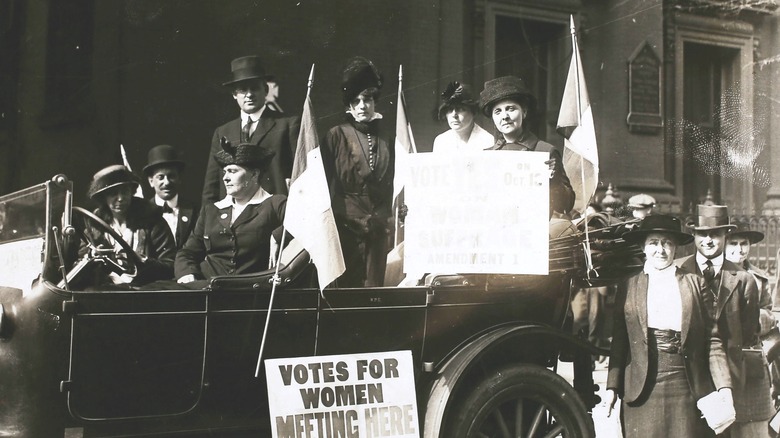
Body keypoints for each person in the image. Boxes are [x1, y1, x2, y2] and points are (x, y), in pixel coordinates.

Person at [607, 214, 732, 436]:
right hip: (642, 386)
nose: (661, 250)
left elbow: (712, 338)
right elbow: (620, 339)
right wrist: (612, 388)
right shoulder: (628, 286)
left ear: (675, 248)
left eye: (667, 243)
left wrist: (724, 387)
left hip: (686, 383)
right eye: (654, 243)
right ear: (643, 247)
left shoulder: (695, 283)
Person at [677, 204, 769, 437]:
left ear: (725, 236)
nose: (708, 240)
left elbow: (748, 331)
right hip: (687, 370)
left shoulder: (744, 279)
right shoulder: (679, 271)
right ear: (694, 235)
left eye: (715, 234)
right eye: (702, 234)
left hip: (729, 370)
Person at [322, 56, 393, 288]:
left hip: (378, 228)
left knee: (374, 289)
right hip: (346, 226)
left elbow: (393, 181)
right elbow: (323, 182)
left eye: (368, 99)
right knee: (348, 288)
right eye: (356, 101)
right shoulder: (336, 135)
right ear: (349, 106)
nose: (363, 105)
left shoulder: (387, 138)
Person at [176, 141, 285, 283]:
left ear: (254, 174)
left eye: (232, 171)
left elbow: (305, 227)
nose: (225, 178)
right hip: (207, 288)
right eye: (224, 172)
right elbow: (188, 252)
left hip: (253, 291)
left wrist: (278, 235)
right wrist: (187, 274)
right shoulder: (211, 210)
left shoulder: (275, 204)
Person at [202, 55, 299, 203]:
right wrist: (209, 222)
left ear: (265, 90)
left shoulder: (287, 125)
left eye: (254, 88)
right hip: (233, 217)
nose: (249, 95)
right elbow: (212, 185)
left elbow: (301, 175)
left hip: (275, 214)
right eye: (242, 90)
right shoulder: (222, 132)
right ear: (234, 94)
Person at [478, 75, 575, 217]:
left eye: (510, 109)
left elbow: (565, 206)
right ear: (493, 118)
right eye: (498, 111)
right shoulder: (486, 157)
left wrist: (554, 181)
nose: (504, 116)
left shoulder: (545, 151)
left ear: (524, 112)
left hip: (532, 232)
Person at [83, 165, 176, 285]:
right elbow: (81, 265)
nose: (120, 198)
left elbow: (170, 264)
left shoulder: (152, 221)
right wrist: (92, 258)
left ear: (132, 192)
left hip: (144, 292)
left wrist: (143, 261)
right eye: (113, 194)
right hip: (106, 292)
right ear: (104, 197)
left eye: (125, 192)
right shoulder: (94, 226)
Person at [143, 144, 199, 250]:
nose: (167, 182)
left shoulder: (195, 211)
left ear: (179, 179)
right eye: (160, 177)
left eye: (171, 176)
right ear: (151, 181)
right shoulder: (143, 212)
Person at [432, 81, 494, 153]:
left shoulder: (487, 141)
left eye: (460, 109)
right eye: (449, 110)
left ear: (473, 112)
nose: (454, 115)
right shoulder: (441, 141)